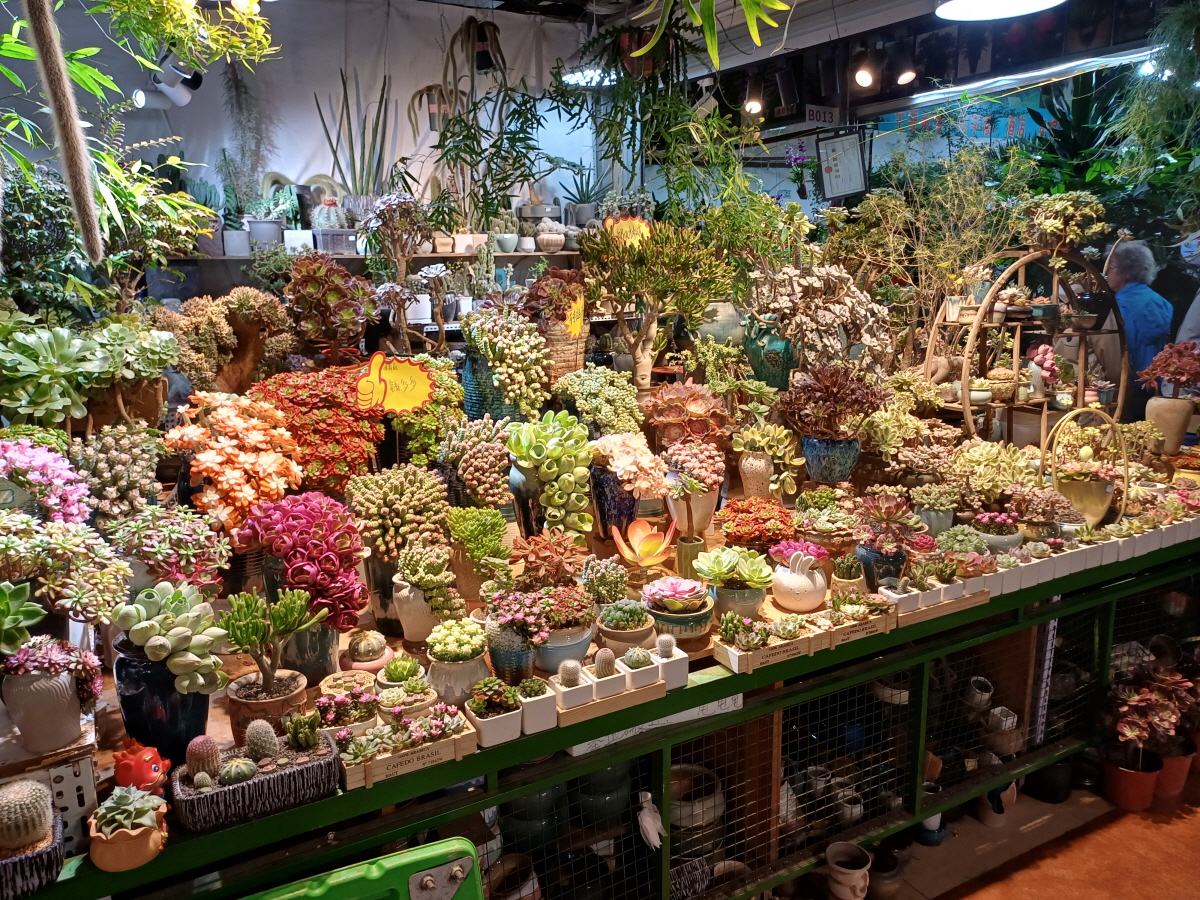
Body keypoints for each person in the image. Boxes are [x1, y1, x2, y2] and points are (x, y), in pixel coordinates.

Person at [1104, 241, 1173, 422]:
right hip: (1157, 387)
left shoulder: (1118, 305)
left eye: (1111, 267)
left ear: (1124, 270)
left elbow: (1116, 351)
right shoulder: (1161, 302)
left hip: (1128, 390)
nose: (1106, 272)